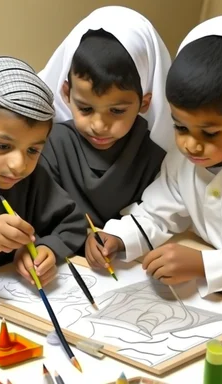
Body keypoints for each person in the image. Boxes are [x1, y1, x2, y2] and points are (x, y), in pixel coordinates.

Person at [85, 15, 222, 298]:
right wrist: (118, 237)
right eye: (180, 127)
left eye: (210, 133)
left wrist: (204, 266)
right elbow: (157, 213)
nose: (191, 145)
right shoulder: (183, 164)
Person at [38, 6, 173, 229]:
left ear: (144, 103)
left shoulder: (156, 154)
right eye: (85, 109)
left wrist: (121, 239)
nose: (99, 126)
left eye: (117, 111)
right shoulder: (50, 142)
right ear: (65, 94)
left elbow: (161, 217)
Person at [0, 56, 87, 286]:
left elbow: (73, 222)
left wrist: (47, 247)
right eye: (2, 146)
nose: (19, 165)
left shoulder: (33, 179)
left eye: (33, 150)